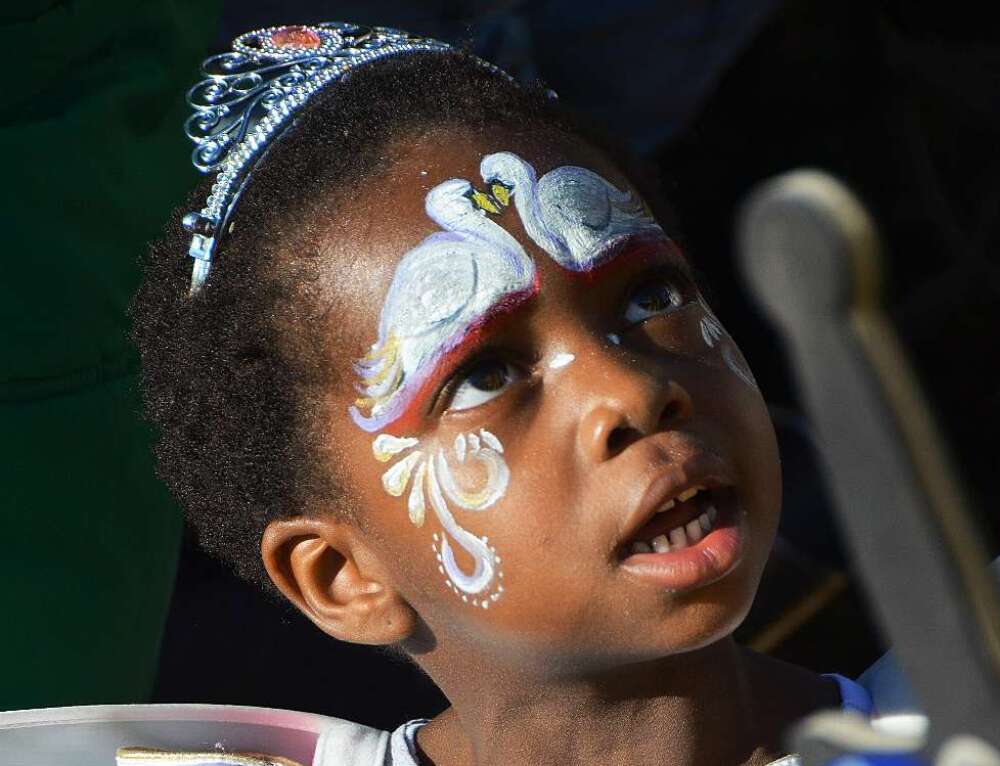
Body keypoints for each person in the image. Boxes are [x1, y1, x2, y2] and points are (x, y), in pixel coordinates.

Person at [131, 22, 875, 766]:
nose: (630, 393)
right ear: (344, 576)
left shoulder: (974, 725)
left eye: (649, 296)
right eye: (484, 375)